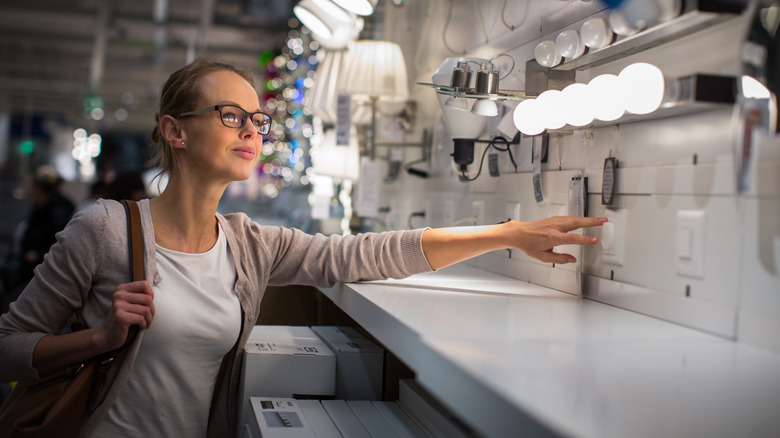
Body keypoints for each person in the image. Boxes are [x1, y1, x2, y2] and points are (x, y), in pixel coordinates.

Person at [0, 59, 606, 438]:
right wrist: (100, 339)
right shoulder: (105, 230)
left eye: (257, 121)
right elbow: (8, 348)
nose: (251, 130)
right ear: (175, 130)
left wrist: (505, 234)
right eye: (231, 114)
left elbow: (364, 254)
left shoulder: (249, 245)